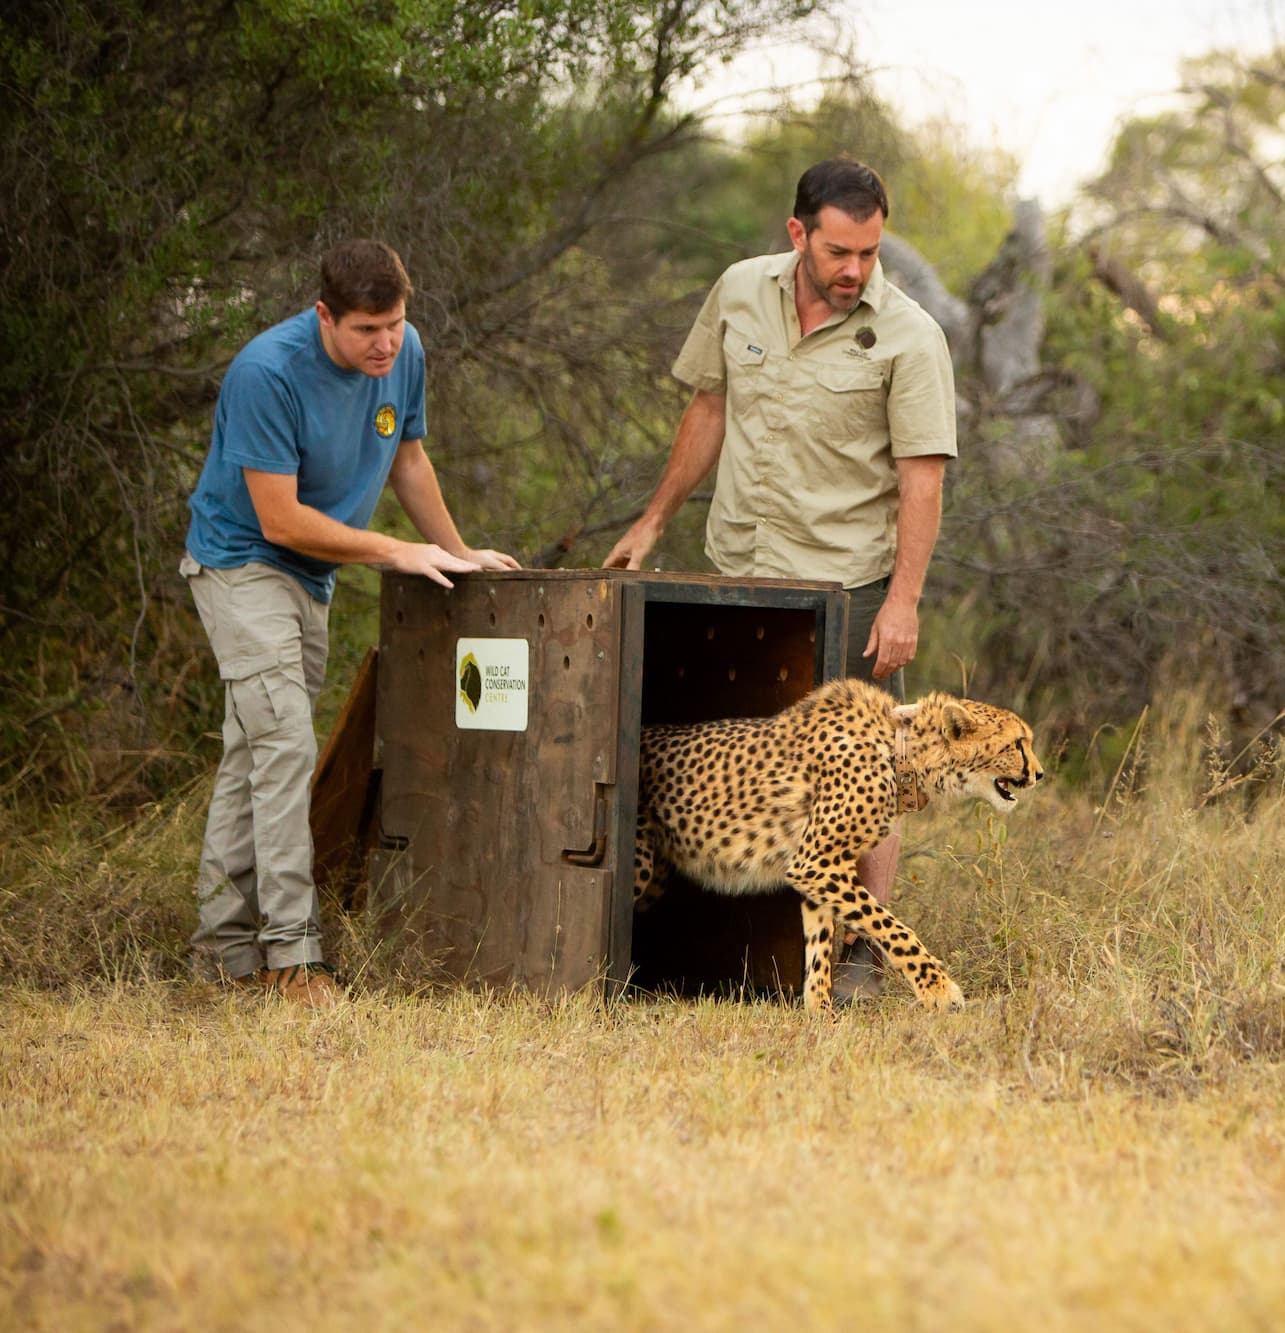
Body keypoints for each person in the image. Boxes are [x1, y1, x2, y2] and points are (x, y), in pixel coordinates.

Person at [603, 157, 957, 1001]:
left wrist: (902, 601)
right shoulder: (738, 290)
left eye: (869, 253)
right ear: (797, 232)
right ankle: (719, 953)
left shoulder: (911, 336)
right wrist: (654, 520)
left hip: (846, 588)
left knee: (868, 781)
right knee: (731, 775)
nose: (854, 269)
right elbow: (710, 409)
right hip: (737, 573)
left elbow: (923, 479)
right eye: (839, 250)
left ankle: (864, 964)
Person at [182, 239, 519, 1006]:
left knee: (257, 751)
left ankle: (221, 952)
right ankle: (292, 956)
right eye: (367, 329)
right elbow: (281, 519)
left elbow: (407, 459)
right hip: (242, 563)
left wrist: (457, 551)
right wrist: (395, 551)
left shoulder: (405, 353)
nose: (386, 344)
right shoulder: (266, 372)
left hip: (314, 574)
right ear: (324, 315)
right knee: (286, 745)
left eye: (396, 324)